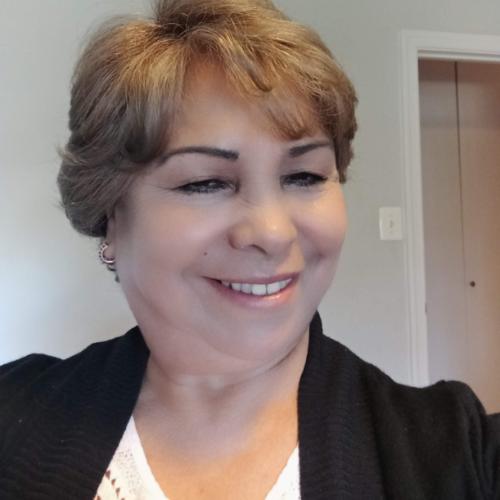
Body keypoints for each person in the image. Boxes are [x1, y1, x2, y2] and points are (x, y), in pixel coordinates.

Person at [1, 0, 499, 499]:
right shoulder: (13, 415)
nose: (273, 233)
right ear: (110, 216)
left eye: (304, 176)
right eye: (205, 182)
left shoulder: (458, 451)